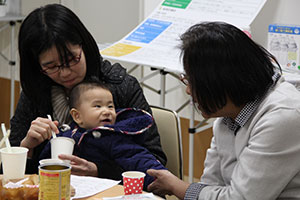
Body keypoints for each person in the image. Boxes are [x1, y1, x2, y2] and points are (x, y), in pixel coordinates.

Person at [9, 3, 166, 179]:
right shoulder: (36, 92)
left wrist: (99, 171)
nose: (65, 72)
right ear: (37, 67)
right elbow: (8, 174)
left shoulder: (121, 85)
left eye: (71, 59)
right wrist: (26, 147)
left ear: (84, 46)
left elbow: (156, 160)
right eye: (51, 66)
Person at [147, 22, 300, 199]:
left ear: (223, 81)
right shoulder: (228, 116)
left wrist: (177, 187)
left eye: (194, 82)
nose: (188, 90)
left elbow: (241, 198)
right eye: (186, 79)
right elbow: (210, 183)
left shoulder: (283, 116)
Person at [40, 78, 166, 189]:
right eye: (98, 106)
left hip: (107, 192)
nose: (106, 111)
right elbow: (44, 161)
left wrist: (159, 177)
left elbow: (138, 158)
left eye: (110, 106)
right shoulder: (66, 135)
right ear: (77, 116)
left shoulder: (114, 137)